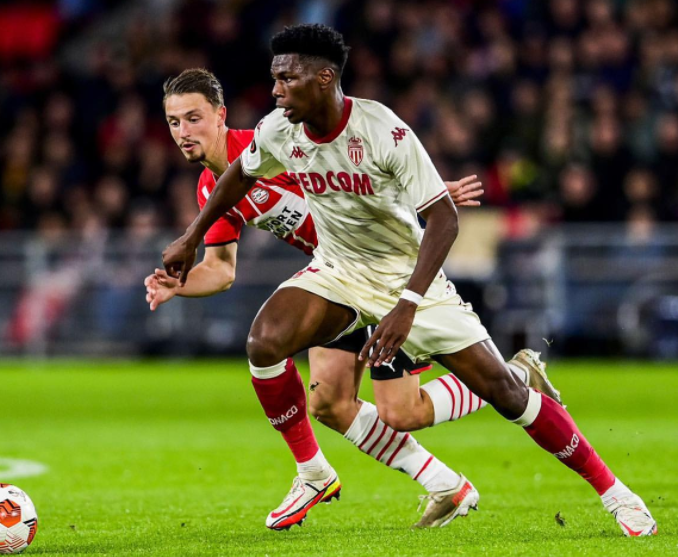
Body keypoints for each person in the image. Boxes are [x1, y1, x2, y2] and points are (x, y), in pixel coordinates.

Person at [161, 25, 657, 537]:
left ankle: (616, 493)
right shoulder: (278, 130)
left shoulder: (383, 130)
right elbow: (239, 174)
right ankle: (315, 472)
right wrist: (190, 239)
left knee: (484, 400)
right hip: (338, 272)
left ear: (324, 78)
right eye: (274, 78)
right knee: (267, 344)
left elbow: (443, 220)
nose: (276, 90)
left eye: (287, 78)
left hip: (408, 277)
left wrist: (407, 304)